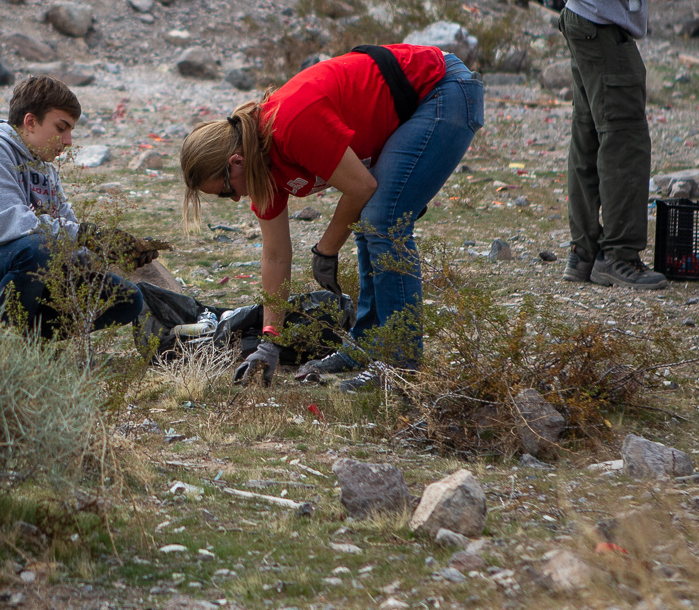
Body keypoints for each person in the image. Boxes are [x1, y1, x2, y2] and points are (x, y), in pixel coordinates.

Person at [178, 42, 482, 389]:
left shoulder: (290, 125)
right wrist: (269, 341)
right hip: (419, 103)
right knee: (373, 218)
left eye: (225, 191)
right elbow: (275, 256)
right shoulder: (260, 170)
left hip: (443, 89)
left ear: (236, 162)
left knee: (382, 218)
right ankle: (367, 345)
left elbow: (361, 187)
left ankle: (401, 365)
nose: (233, 200)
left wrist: (326, 249)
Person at [557, 0, 682, 290]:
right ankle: (621, 256)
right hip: (601, 27)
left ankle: (583, 254)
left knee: (588, 137)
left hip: (581, 21)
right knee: (626, 138)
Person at [0, 75, 149, 338]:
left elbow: (67, 228)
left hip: (28, 265)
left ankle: (30, 344)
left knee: (127, 299)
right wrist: (88, 235)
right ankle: (6, 345)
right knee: (39, 248)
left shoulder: (45, 167)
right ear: (30, 122)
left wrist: (109, 250)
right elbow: (10, 226)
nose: (69, 140)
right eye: (61, 128)